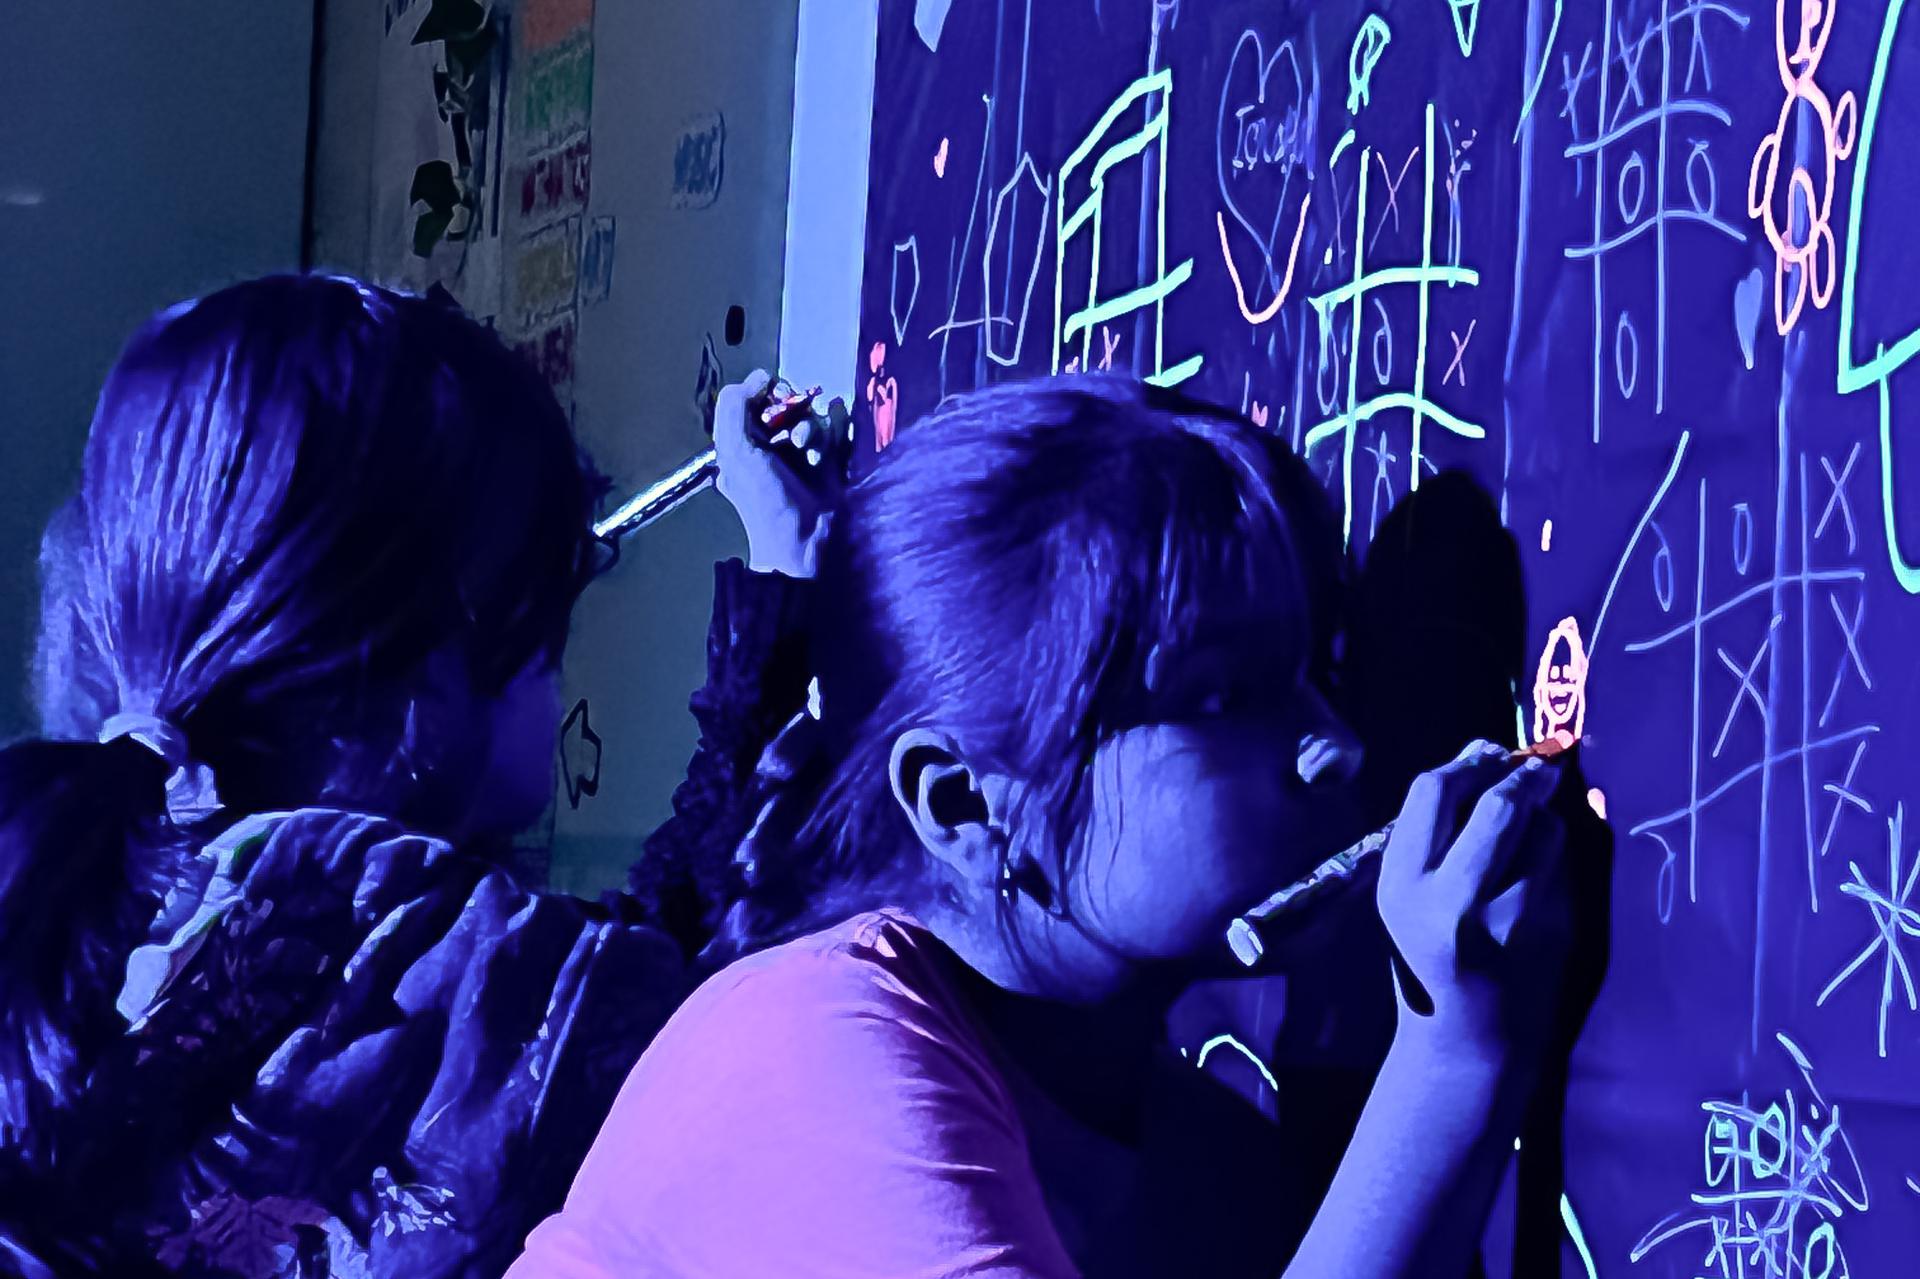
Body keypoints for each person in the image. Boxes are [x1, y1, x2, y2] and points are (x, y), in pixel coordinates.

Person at [511, 376, 1596, 1279]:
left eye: (1322, 674)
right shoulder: (812, 1060)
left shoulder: (1197, 1158)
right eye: (1226, 695)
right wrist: (1453, 1057)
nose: (1338, 747)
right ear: (964, 804)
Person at [0, 275, 823, 1279]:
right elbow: (716, 1017)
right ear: (430, 660)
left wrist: (780, 595)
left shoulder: (121, 906)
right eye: (545, 608)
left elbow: (630, 970)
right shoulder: (452, 975)